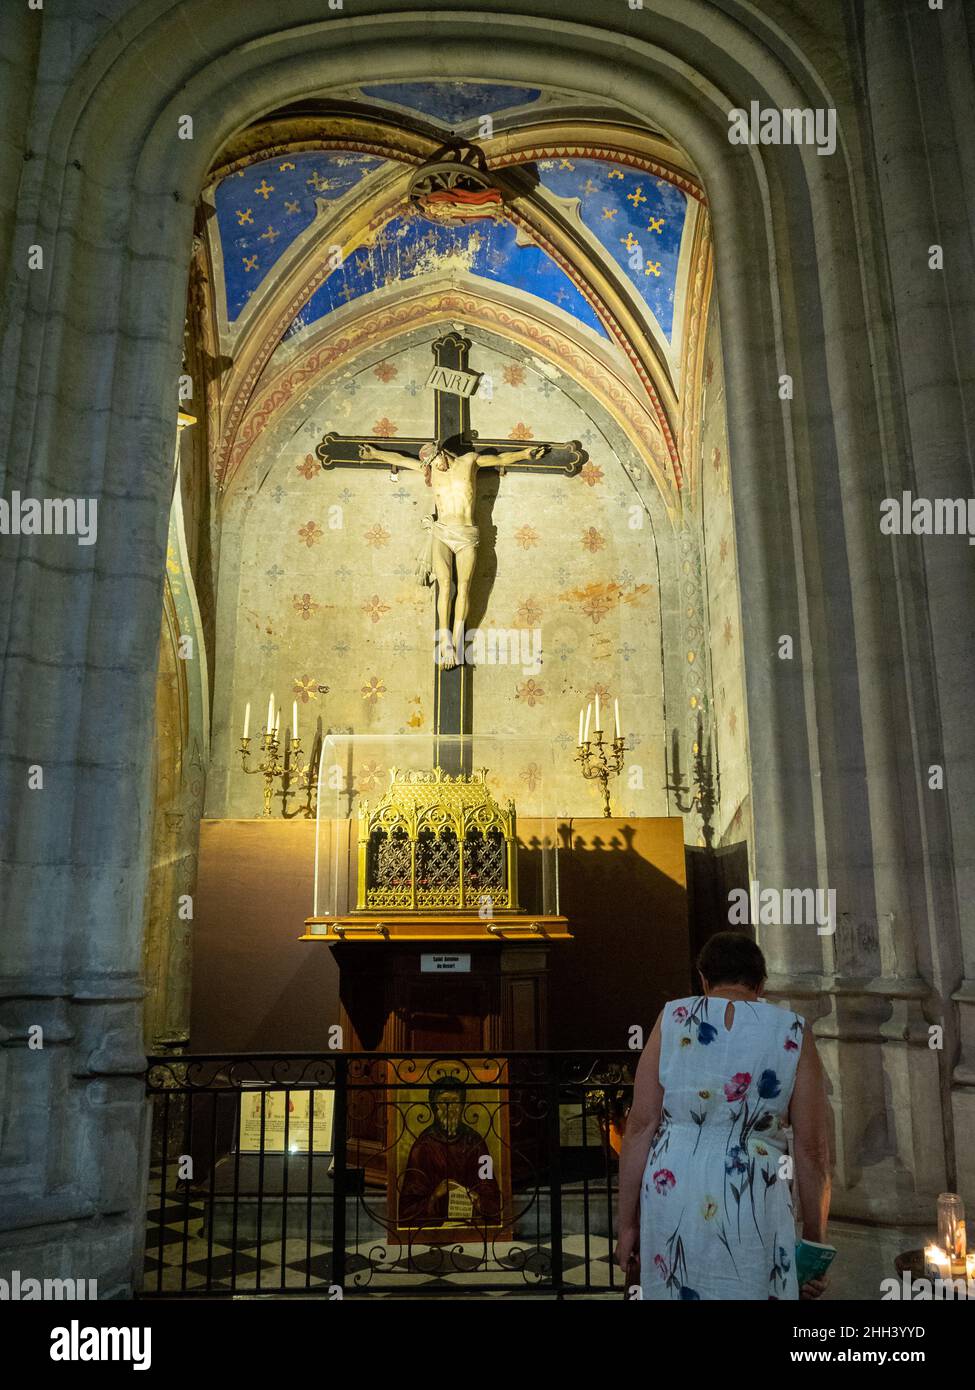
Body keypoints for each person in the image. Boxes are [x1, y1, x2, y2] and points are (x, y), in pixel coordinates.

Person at [614, 932, 831, 1299]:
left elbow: (639, 1127)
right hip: (753, 1189)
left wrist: (628, 1224)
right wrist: (814, 1243)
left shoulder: (673, 1017)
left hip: (674, 1182)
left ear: (703, 979)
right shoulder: (793, 1029)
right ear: (761, 984)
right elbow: (812, 1150)